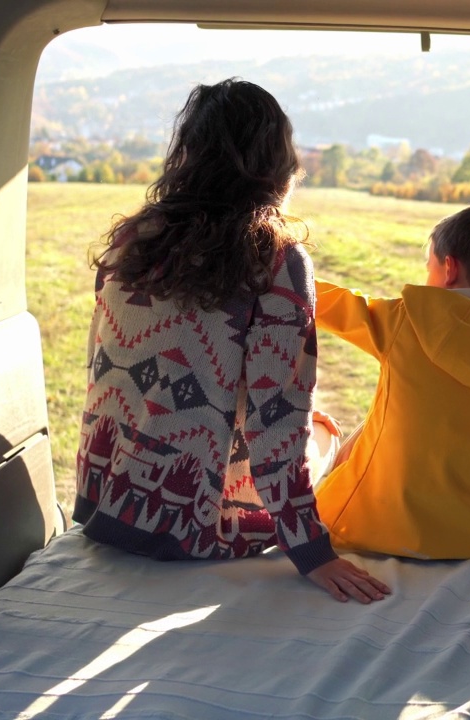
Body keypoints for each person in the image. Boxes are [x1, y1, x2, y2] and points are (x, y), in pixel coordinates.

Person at [73, 79, 390, 604]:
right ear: (276, 164)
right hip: (198, 529)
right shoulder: (275, 261)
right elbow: (277, 420)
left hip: (106, 507)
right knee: (326, 432)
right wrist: (314, 553)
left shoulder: (131, 241)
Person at [312, 202, 470, 560]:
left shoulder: (404, 319)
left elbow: (332, 305)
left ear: (449, 269)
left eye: (428, 265)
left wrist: (283, 271)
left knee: (337, 436)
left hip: (371, 524)